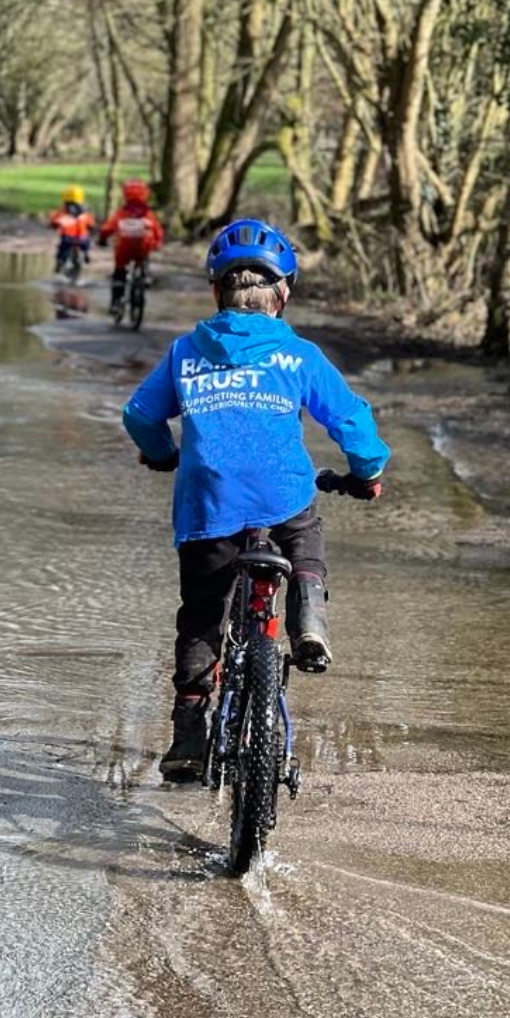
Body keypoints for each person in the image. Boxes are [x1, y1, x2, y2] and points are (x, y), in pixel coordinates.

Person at [121, 217, 391, 782]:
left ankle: (189, 734)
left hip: (208, 507)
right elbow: (351, 420)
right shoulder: (299, 355)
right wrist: (368, 471)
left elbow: (140, 415)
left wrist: (165, 453)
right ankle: (309, 614)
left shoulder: (186, 352)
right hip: (282, 497)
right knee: (303, 531)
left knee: (201, 616)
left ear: (216, 291)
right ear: (283, 294)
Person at [96, 179, 165, 313]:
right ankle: (145, 275)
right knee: (144, 257)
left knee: (119, 271)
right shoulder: (148, 214)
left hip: (124, 249)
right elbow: (158, 231)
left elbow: (107, 229)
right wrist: (157, 243)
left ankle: (116, 301)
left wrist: (102, 239)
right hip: (143, 247)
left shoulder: (122, 213)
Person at [49, 185, 96, 273]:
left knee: (61, 251)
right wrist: (91, 228)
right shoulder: (85, 212)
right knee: (86, 243)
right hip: (83, 239)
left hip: (67, 238)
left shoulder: (63, 211)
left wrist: (53, 225)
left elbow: (54, 220)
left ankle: (59, 265)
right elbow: (91, 224)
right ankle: (86, 254)